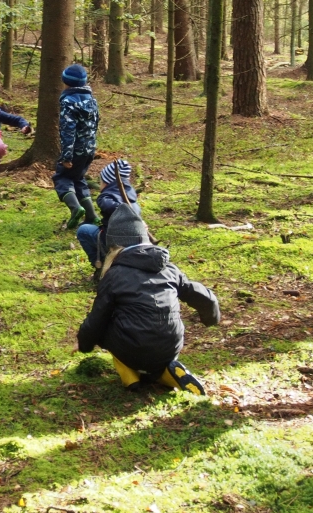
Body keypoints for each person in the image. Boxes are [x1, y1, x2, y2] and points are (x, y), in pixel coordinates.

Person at [77, 204, 221, 394]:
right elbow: (205, 298)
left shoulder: (114, 275)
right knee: (154, 342)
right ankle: (167, 375)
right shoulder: (169, 269)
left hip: (133, 348)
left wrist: (83, 344)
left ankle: (130, 378)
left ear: (114, 246)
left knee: (106, 328)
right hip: (170, 346)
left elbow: (97, 318)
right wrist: (211, 318)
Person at [52, 64, 100, 229]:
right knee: (78, 179)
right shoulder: (91, 100)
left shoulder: (68, 102)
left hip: (74, 150)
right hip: (89, 149)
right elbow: (95, 124)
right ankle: (92, 215)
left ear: (66, 83)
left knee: (61, 177)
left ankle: (75, 208)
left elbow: (68, 131)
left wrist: (66, 156)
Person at [76, 160, 139, 271]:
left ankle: (100, 265)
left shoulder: (106, 197)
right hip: (135, 241)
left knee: (83, 230)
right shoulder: (132, 197)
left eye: (100, 181)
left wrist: (120, 209)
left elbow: (110, 206)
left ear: (107, 182)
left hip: (114, 241)